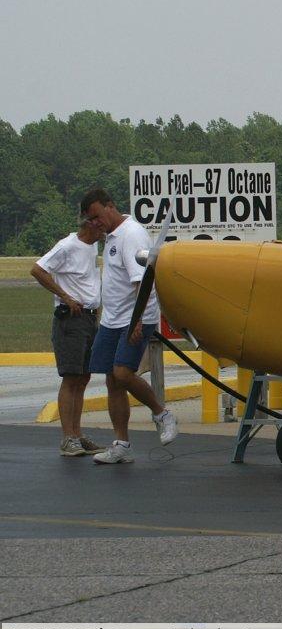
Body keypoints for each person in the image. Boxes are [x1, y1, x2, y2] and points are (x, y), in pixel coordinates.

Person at [79, 189, 178, 464]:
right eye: (91, 220)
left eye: (97, 216)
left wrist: (137, 321)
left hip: (135, 318)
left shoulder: (131, 234)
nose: (95, 223)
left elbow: (141, 281)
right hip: (112, 319)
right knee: (112, 380)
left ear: (111, 206)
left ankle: (162, 413)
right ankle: (122, 444)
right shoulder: (111, 236)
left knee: (122, 373)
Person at [30, 217, 106, 456]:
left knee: (83, 377)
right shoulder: (67, 246)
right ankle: (67, 437)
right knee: (71, 377)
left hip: (89, 318)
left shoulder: (93, 247)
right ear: (89, 223)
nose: (104, 229)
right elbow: (38, 269)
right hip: (71, 319)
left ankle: (77, 433)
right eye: (100, 224)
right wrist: (65, 296)